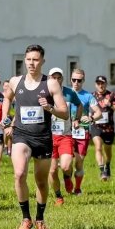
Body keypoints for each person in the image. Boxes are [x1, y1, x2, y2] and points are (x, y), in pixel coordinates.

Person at [2, 45, 69, 229]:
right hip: (21, 135)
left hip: (42, 137)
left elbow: (64, 113)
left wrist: (50, 108)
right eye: (29, 59)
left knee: (41, 181)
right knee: (19, 173)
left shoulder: (51, 84)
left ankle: (40, 219)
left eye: (36, 60)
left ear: (42, 62)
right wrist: (6, 119)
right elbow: (7, 97)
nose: (32, 63)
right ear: (25, 60)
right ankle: (25, 220)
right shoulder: (16, 82)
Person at [46, 68, 84, 205]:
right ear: (49, 78)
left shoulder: (69, 92)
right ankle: (58, 196)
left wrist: (77, 119)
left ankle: (67, 177)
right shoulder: (45, 93)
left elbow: (79, 105)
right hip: (48, 137)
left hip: (65, 136)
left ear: (62, 78)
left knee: (66, 166)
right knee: (52, 170)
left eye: (59, 77)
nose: (56, 80)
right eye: (53, 77)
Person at [68, 69, 103, 193]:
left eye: (79, 80)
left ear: (83, 81)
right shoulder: (65, 93)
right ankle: (68, 182)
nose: (76, 82)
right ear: (70, 79)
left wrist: (91, 118)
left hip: (82, 133)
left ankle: (77, 188)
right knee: (66, 161)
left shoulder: (88, 96)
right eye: (74, 80)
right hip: (67, 132)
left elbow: (99, 112)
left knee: (79, 162)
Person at [90, 75, 115, 182]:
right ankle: (102, 170)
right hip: (96, 126)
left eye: (102, 83)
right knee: (98, 147)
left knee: (107, 150)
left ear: (106, 84)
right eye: (98, 84)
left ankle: (107, 164)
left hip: (108, 128)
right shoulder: (91, 96)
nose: (100, 85)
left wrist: (110, 105)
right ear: (95, 85)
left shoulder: (111, 95)